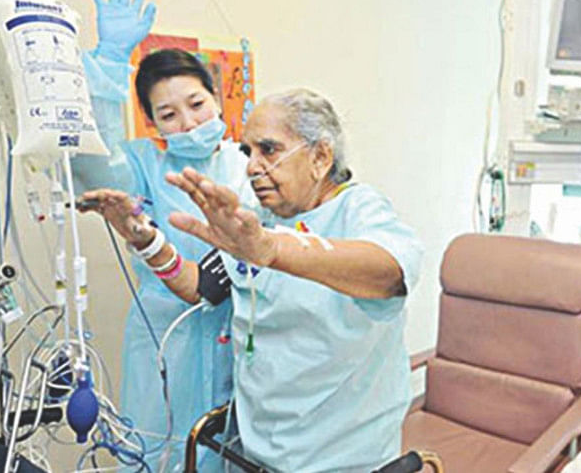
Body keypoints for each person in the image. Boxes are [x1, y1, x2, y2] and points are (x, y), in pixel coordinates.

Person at [82, 89, 424, 472]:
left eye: (269, 150)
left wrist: (272, 249)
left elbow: (390, 272)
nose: (251, 167)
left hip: (340, 460)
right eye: (248, 152)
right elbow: (198, 286)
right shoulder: (260, 222)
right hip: (259, 452)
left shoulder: (358, 209)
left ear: (320, 157)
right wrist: (145, 241)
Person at [74, 0, 240, 469]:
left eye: (197, 104)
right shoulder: (145, 166)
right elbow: (98, 166)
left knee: (230, 447)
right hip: (165, 337)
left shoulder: (247, 165)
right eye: (169, 115)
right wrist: (110, 60)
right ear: (152, 124)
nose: (188, 122)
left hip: (238, 334)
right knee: (157, 446)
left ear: (216, 98)